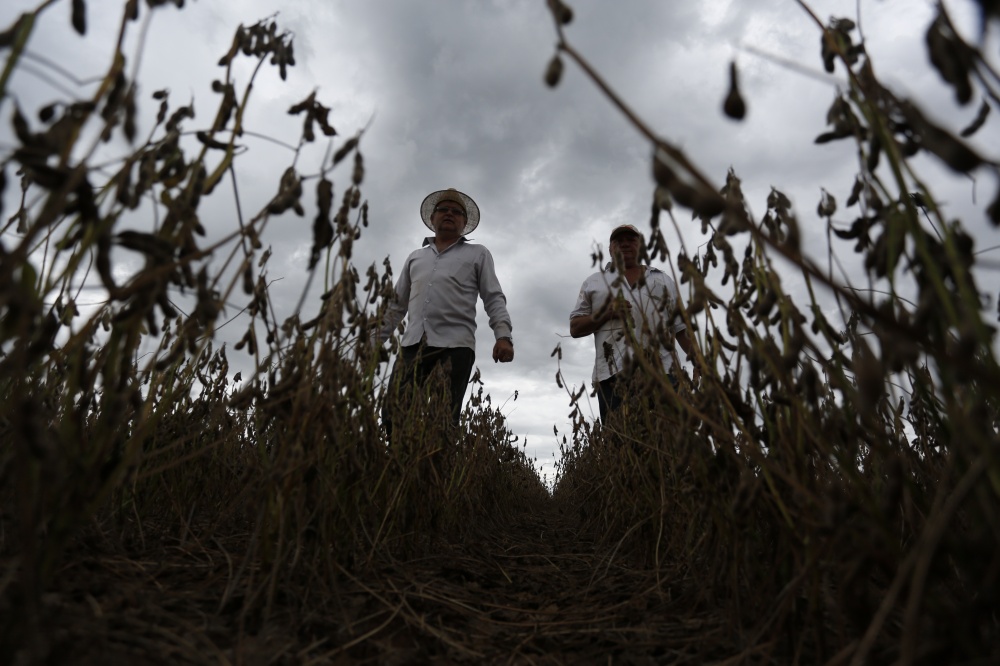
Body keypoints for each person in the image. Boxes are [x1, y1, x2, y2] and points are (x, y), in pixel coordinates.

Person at [377, 188, 514, 435]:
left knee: (442, 422)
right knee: (394, 415)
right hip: (412, 346)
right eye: (443, 210)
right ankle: (400, 458)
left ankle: (438, 460)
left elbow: (493, 296)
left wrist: (503, 336)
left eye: (456, 212)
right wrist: (373, 341)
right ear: (433, 218)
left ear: (464, 222)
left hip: (455, 347)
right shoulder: (415, 257)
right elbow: (396, 305)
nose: (449, 214)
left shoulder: (478, 254)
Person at [569, 224, 695, 423]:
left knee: (670, 435)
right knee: (621, 437)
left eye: (631, 240)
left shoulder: (663, 280)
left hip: (665, 372)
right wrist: (606, 314)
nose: (625, 244)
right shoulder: (594, 282)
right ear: (610, 249)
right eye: (619, 241)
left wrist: (698, 360)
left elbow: (680, 327)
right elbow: (575, 327)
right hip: (613, 376)